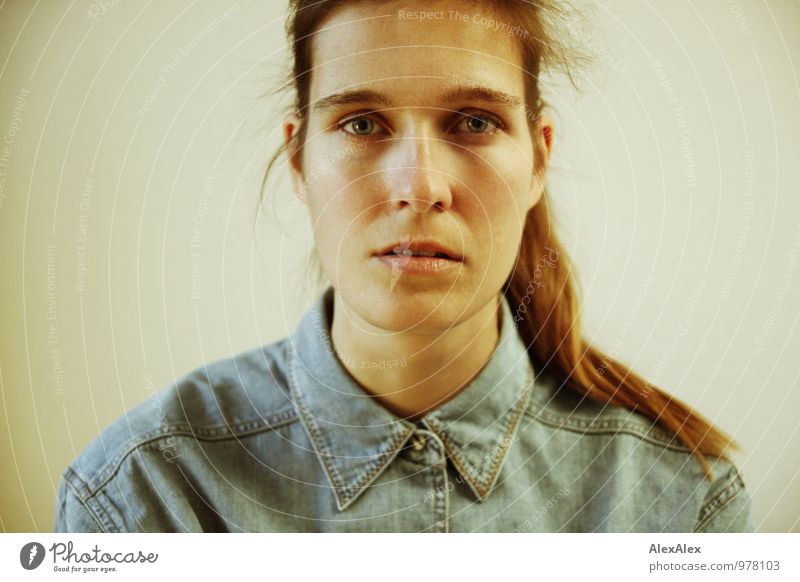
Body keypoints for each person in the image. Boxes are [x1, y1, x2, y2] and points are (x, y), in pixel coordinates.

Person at [54, 0, 753, 532]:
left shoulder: (683, 502)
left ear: (539, 159)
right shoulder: (143, 491)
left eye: (474, 122)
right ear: (299, 159)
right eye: (361, 124)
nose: (420, 187)